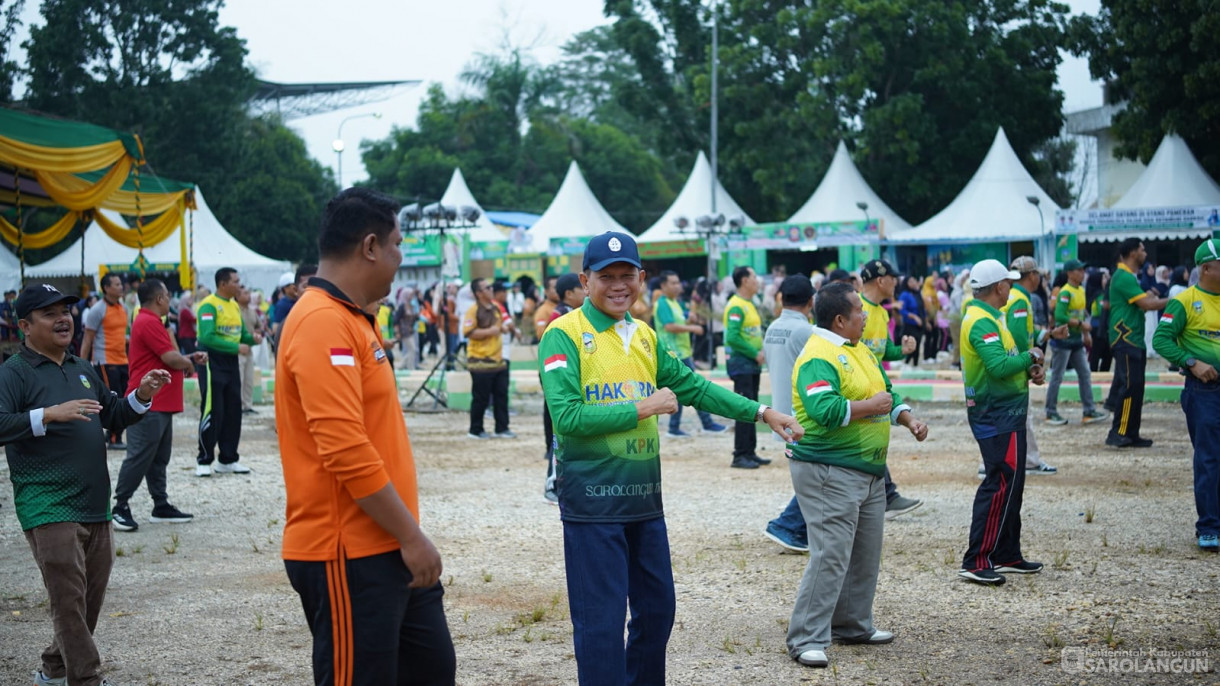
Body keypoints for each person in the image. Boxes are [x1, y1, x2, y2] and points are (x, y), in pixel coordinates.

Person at [539, 232, 803, 685]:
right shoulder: (562, 334)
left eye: (627, 275)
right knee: (600, 623)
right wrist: (643, 408)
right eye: (606, 276)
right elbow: (566, 418)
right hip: (592, 504)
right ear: (585, 281)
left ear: (642, 278)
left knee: (658, 610)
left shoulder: (644, 335)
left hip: (644, 502)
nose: (618, 285)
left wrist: (762, 413)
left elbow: (694, 387)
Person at [276, 187, 455, 685]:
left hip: (387, 544)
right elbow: (344, 448)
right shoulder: (321, 321)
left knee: (432, 670)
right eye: (398, 245)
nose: (401, 258)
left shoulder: (354, 317)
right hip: (348, 552)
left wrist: (406, 536)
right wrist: (411, 536)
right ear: (370, 246)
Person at [0, 282, 170, 686]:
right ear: (25, 326)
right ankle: (86, 678)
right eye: (49, 313)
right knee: (68, 598)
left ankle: (54, 669)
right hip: (47, 503)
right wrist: (48, 414)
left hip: (95, 502)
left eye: (66, 311)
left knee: (86, 598)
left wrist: (142, 395)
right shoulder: (13, 373)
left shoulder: (81, 368)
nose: (63, 319)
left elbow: (114, 413)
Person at [785, 282, 929, 669]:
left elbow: (888, 394)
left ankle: (852, 624)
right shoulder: (818, 355)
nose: (866, 316)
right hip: (829, 469)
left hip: (868, 471)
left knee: (865, 552)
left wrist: (907, 418)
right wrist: (870, 406)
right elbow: (824, 410)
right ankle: (806, 637)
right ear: (840, 319)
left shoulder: (860, 349)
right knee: (831, 554)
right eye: (859, 311)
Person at [957, 260, 1047, 586]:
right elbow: (997, 367)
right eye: (1009, 283)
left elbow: (1006, 362)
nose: (1012, 287)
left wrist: (1027, 369)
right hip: (995, 415)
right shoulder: (981, 321)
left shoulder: (993, 316)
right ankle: (977, 559)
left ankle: (1007, 552)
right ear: (999, 287)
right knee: (999, 483)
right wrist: (1031, 356)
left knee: (1013, 484)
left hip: (1007, 412)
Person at [111, 279, 209, 532]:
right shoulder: (148, 321)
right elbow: (170, 358)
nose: (169, 300)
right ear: (159, 299)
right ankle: (119, 506)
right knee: (140, 455)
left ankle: (160, 504)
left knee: (158, 457)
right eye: (166, 295)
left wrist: (188, 358)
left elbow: (167, 356)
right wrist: (188, 362)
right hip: (148, 402)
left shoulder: (152, 321)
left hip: (160, 402)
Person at [1153, 239, 1220, 551]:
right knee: (1209, 459)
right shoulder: (1184, 302)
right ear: (1206, 269)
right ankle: (1209, 527)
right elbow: (1161, 340)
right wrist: (1191, 362)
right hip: (1204, 391)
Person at [855, 260, 923, 518]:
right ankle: (887, 497)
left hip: (877, 384)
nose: (897, 284)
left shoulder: (882, 313)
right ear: (881, 280)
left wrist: (902, 350)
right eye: (894, 279)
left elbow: (884, 351)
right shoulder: (855, 309)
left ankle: (885, 497)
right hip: (860, 387)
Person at [991, 256, 1070, 479]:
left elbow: (1025, 330)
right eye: (1038, 275)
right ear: (1032, 276)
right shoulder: (1020, 300)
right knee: (1021, 417)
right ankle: (1029, 461)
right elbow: (1017, 336)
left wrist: (1049, 334)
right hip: (1016, 367)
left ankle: (1002, 461)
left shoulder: (1016, 297)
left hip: (1012, 365)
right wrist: (1030, 364)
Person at [762, 275, 816, 552]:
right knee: (817, 474)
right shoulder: (806, 331)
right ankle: (788, 525)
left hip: (780, 411)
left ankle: (798, 526)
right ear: (811, 301)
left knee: (811, 473)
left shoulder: (772, 328)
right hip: (801, 415)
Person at [1104, 238, 1168, 448]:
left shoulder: (1128, 277)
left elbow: (1143, 300)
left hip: (1133, 339)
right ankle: (1119, 432)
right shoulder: (1122, 276)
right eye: (1142, 249)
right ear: (1132, 253)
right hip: (1125, 338)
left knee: (1137, 388)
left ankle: (1131, 433)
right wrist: (1176, 300)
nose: (1145, 253)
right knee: (1130, 387)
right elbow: (1147, 304)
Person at [195, 267, 260, 476]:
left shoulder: (234, 305)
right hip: (212, 361)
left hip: (231, 362)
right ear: (223, 284)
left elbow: (241, 335)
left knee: (233, 410)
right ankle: (204, 460)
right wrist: (236, 347)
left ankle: (228, 458)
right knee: (213, 410)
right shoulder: (209, 305)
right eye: (235, 281)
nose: (239, 285)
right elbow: (207, 337)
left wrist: (252, 339)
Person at [655, 270, 727, 437]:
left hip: (682, 353)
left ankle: (676, 427)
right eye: (673, 283)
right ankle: (705, 423)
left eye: (678, 282)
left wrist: (689, 320)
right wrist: (692, 328)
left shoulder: (675, 302)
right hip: (674, 354)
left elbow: (678, 322)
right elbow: (669, 326)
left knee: (685, 389)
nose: (677, 286)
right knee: (695, 388)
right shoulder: (663, 304)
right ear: (663, 285)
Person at [1044, 259, 1109, 427]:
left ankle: (1089, 410)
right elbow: (1060, 315)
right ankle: (1050, 412)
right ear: (1070, 273)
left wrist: (1085, 334)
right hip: (1063, 341)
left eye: (1082, 270)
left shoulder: (1081, 290)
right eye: (1079, 270)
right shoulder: (1065, 292)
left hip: (1076, 341)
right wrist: (1081, 325)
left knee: (1085, 374)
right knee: (1057, 377)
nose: (1082, 273)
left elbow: (1080, 314)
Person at [541, 273, 585, 504]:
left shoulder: (576, 314)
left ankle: (568, 482)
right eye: (581, 288)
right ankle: (553, 484)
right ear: (569, 293)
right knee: (559, 434)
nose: (586, 292)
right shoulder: (560, 316)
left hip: (571, 382)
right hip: (561, 383)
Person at [724, 266, 769, 469]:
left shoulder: (749, 303)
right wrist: (754, 353)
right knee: (744, 409)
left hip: (751, 366)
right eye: (754, 277)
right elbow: (732, 337)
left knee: (753, 408)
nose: (757, 281)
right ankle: (740, 454)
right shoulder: (736, 306)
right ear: (744, 281)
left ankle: (750, 452)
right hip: (741, 365)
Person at [81, 272, 130, 449]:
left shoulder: (123, 308)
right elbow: (87, 339)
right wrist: (81, 365)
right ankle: (114, 438)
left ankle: (114, 436)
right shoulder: (97, 310)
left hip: (122, 360)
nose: (121, 287)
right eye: (116, 284)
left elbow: (123, 335)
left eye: (120, 284)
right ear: (106, 288)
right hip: (105, 361)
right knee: (113, 400)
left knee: (124, 398)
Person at [464, 278, 513, 439]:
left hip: (498, 359)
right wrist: (489, 332)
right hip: (480, 361)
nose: (492, 289)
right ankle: (475, 430)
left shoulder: (495, 307)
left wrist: (503, 329)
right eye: (487, 288)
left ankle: (502, 428)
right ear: (479, 293)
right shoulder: (473, 310)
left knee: (501, 395)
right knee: (481, 398)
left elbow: (499, 325)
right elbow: (468, 332)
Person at [236, 286, 261, 415]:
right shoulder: (235, 310)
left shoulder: (252, 311)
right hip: (238, 350)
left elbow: (259, 326)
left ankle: (247, 405)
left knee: (249, 379)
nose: (248, 296)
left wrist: (257, 334)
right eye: (245, 293)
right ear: (237, 296)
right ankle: (238, 406)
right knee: (239, 379)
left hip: (250, 349)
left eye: (249, 293)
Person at [898, 276, 925, 365]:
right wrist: (914, 317)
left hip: (919, 324)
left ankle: (915, 364)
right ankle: (906, 363)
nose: (913, 283)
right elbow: (902, 310)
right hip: (910, 324)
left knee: (918, 343)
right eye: (911, 281)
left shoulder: (916, 293)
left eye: (914, 281)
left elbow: (922, 307)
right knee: (912, 345)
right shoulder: (904, 295)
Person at [270, 271, 298, 344]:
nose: (296, 287)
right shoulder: (282, 305)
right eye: (293, 285)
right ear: (286, 288)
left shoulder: (299, 300)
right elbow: (275, 328)